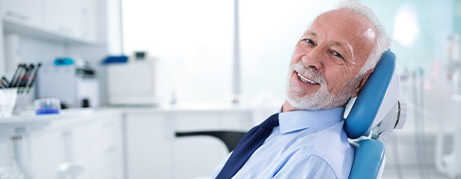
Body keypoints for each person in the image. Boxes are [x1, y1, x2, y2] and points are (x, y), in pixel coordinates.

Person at [211, 1, 390, 179]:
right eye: (309, 41)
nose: (309, 59)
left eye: (336, 53)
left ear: (360, 83)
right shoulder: (278, 128)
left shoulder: (311, 160)